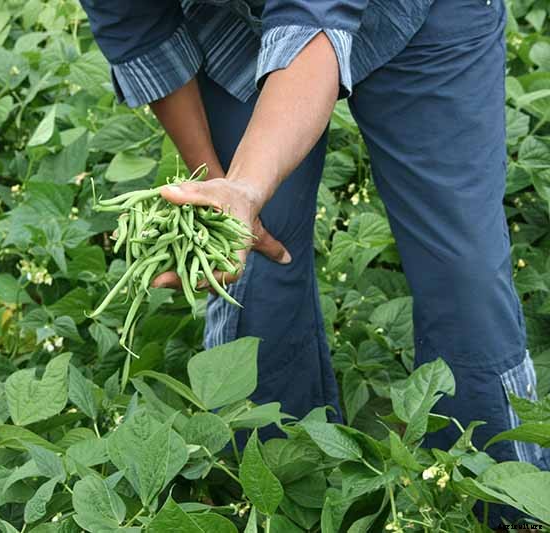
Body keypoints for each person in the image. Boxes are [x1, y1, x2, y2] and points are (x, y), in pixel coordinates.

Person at [78, 0, 548, 519]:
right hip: (238, 28)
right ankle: (277, 505)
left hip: (419, 16)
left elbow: (313, 18)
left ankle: (504, 508)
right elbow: (136, 24)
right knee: (253, 271)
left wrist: (248, 184)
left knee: (463, 273)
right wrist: (222, 193)